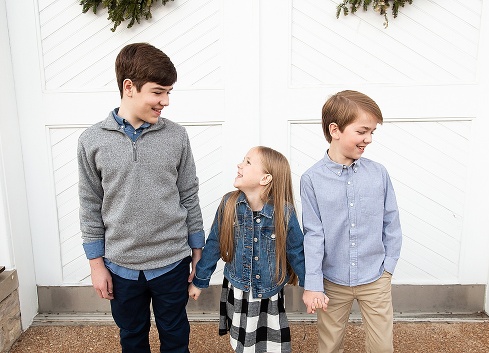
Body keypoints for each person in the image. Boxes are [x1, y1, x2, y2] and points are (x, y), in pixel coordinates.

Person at [78, 42, 204, 352]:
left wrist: (198, 248)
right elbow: (90, 205)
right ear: (129, 87)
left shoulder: (177, 135)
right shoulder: (91, 141)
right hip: (120, 267)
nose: (166, 101)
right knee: (132, 337)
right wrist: (96, 265)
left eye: (169, 92)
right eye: (159, 92)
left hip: (172, 262)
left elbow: (189, 194)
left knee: (175, 337)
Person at [300, 90, 403, 353]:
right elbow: (313, 234)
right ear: (335, 130)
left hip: (375, 277)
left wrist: (388, 267)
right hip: (332, 282)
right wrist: (313, 284)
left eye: (372, 133)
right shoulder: (311, 179)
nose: (368, 139)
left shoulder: (378, 173)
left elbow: (391, 223)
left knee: (382, 347)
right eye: (362, 131)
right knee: (329, 345)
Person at [189, 146, 306, 353]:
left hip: (268, 293)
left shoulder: (284, 212)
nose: (240, 164)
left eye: (248, 162)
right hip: (238, 289)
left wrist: (312, 286)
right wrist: (199, 281)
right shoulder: (229, 203)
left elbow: (296, 252)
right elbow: (214, 244)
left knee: (270, 344)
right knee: (243, 342)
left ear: (265, 179)